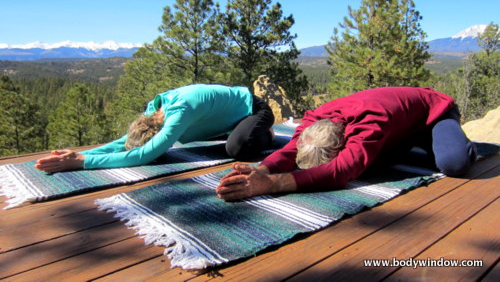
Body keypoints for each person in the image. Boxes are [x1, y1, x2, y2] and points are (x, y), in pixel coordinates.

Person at [216, 87, 477, 201]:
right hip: (399, 122)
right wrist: (262, 170)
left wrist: (272, 184)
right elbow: (289, 149)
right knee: (374, 164)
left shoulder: (371, 123)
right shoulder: (313, 120)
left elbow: (341, 172)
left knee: (453, 163)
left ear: (345, 141)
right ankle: (407, 139)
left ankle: (453, 137)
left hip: (432, 112)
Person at [35, 84, 274, 173]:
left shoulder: (179, 114)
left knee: (236, 149)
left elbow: (144, 154)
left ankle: (265, 134)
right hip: (220, 118)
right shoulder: (154, 109)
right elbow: (127, 142)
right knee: (206, 136)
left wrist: (83, 162)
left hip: (255, 109)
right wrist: (84, 154)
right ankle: (243, 130)